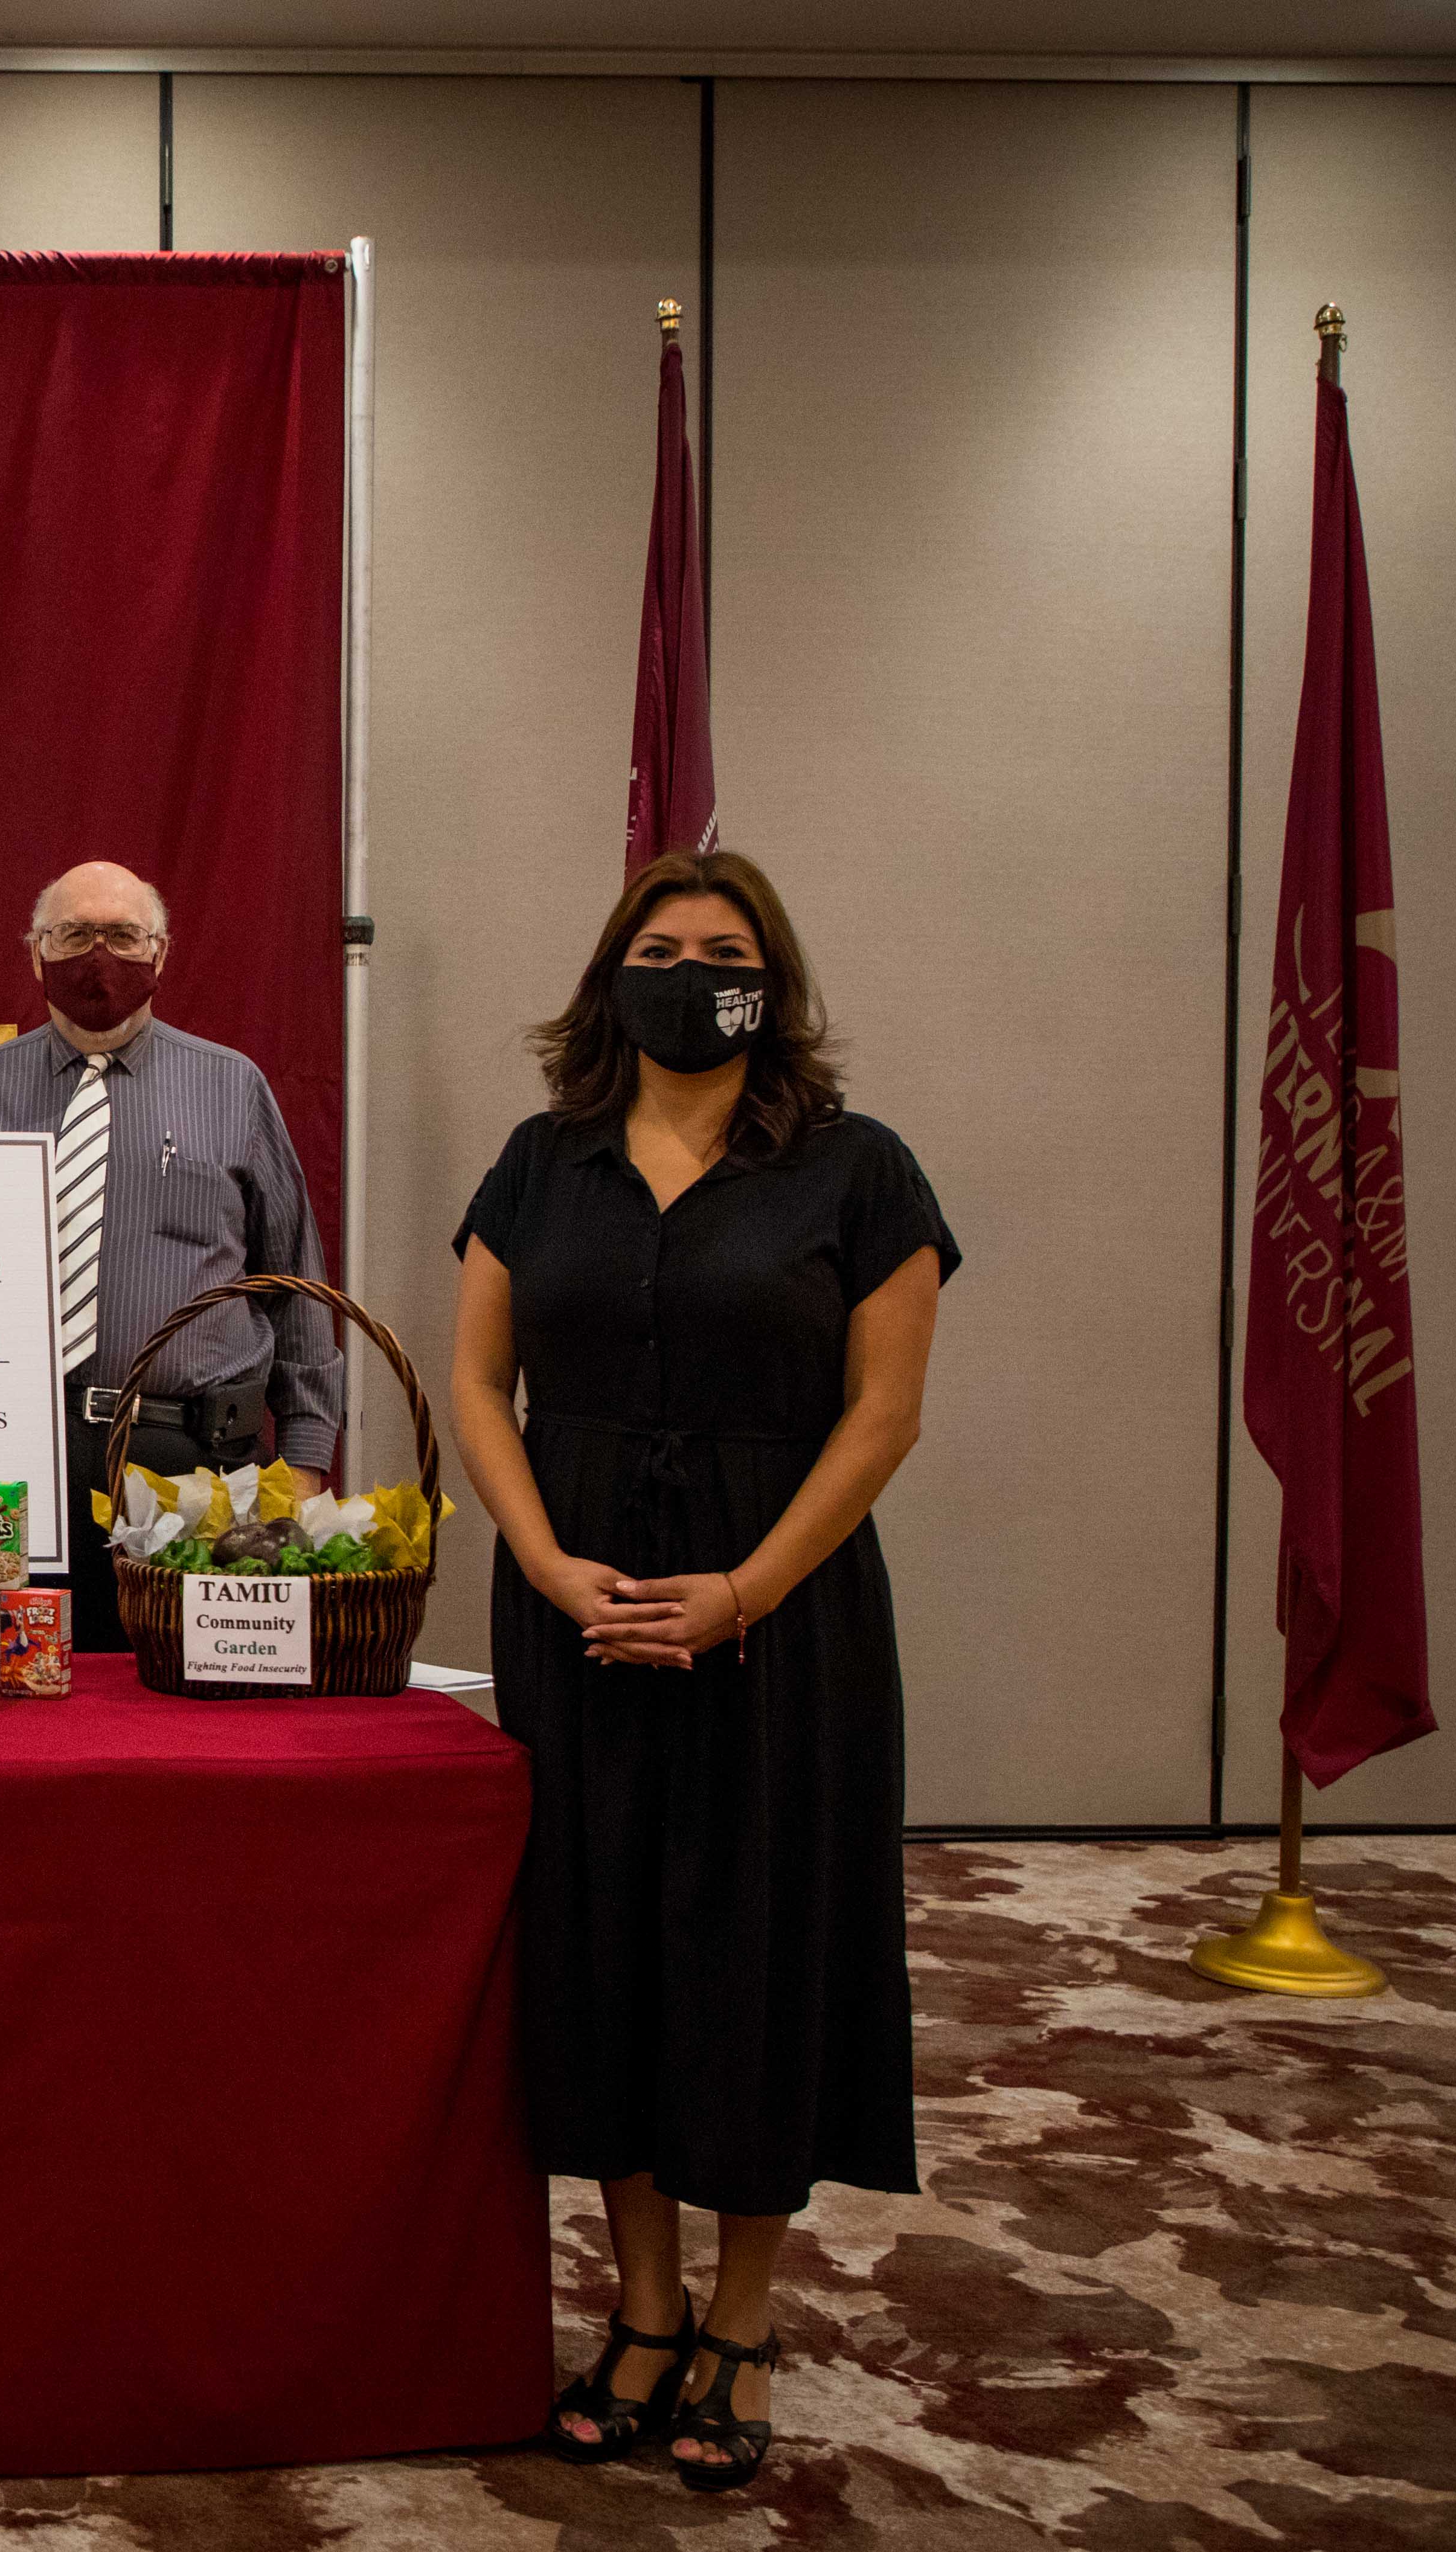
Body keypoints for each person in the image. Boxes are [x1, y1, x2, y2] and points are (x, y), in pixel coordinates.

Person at [446, 847, 955, 2495]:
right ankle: (641, 2309)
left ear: (772, 982)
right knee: (602, 1959)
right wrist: (534, 1559)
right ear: (612, 978)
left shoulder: (861, 1172)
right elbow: (476, 1386)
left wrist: (739, 1591)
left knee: (753, 1958)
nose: (689, 970)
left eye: (721, 950)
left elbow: (883, 1416)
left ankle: (743, 2317)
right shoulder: (540, 1163)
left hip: (780, 1623)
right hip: (578, 1615)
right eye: (657, 949)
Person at [0, 859, 342, 1650]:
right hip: (9, 1469)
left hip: (195, 1469)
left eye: (122, 935)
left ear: (162, 953)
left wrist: (307, 1462)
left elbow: (296, 1282)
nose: (99, 956)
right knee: (7, 1689)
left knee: (193, 1707)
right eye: (74, 934)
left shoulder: (232, 1086)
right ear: (35, 953)